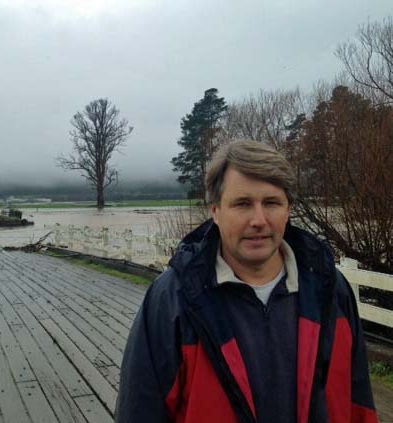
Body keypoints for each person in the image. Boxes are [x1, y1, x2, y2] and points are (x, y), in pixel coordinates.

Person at [115, 140, 378, 423]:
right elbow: (140, 410)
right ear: (215, 211)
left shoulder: (330, 290)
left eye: (271, 203)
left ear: (288, 209)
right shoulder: (173, 300)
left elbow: (359, 404)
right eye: (242, 204)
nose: (259, 220)